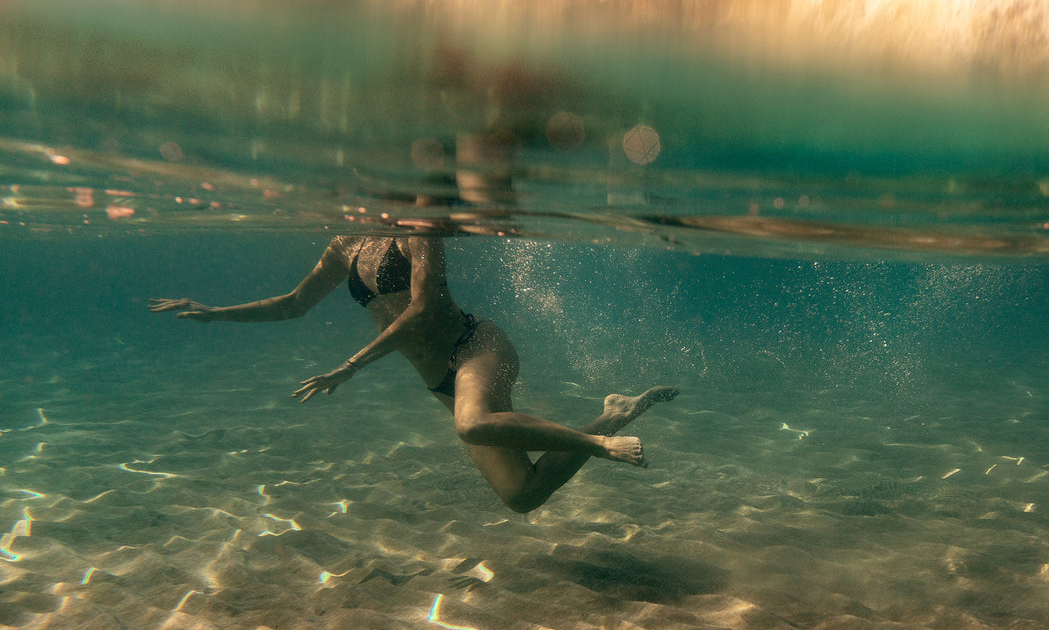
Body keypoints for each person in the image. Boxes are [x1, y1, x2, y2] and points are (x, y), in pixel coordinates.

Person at [149, 233, 678, 513]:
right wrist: (214, 312)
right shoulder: (343, 245)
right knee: (522, 495)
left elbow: (423, 309)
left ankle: (601, 447)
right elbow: (293, 303)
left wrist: (351, 366)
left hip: (475, 347)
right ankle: (612, 416)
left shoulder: (418, 232)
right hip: (438, 377)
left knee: (471, 424)